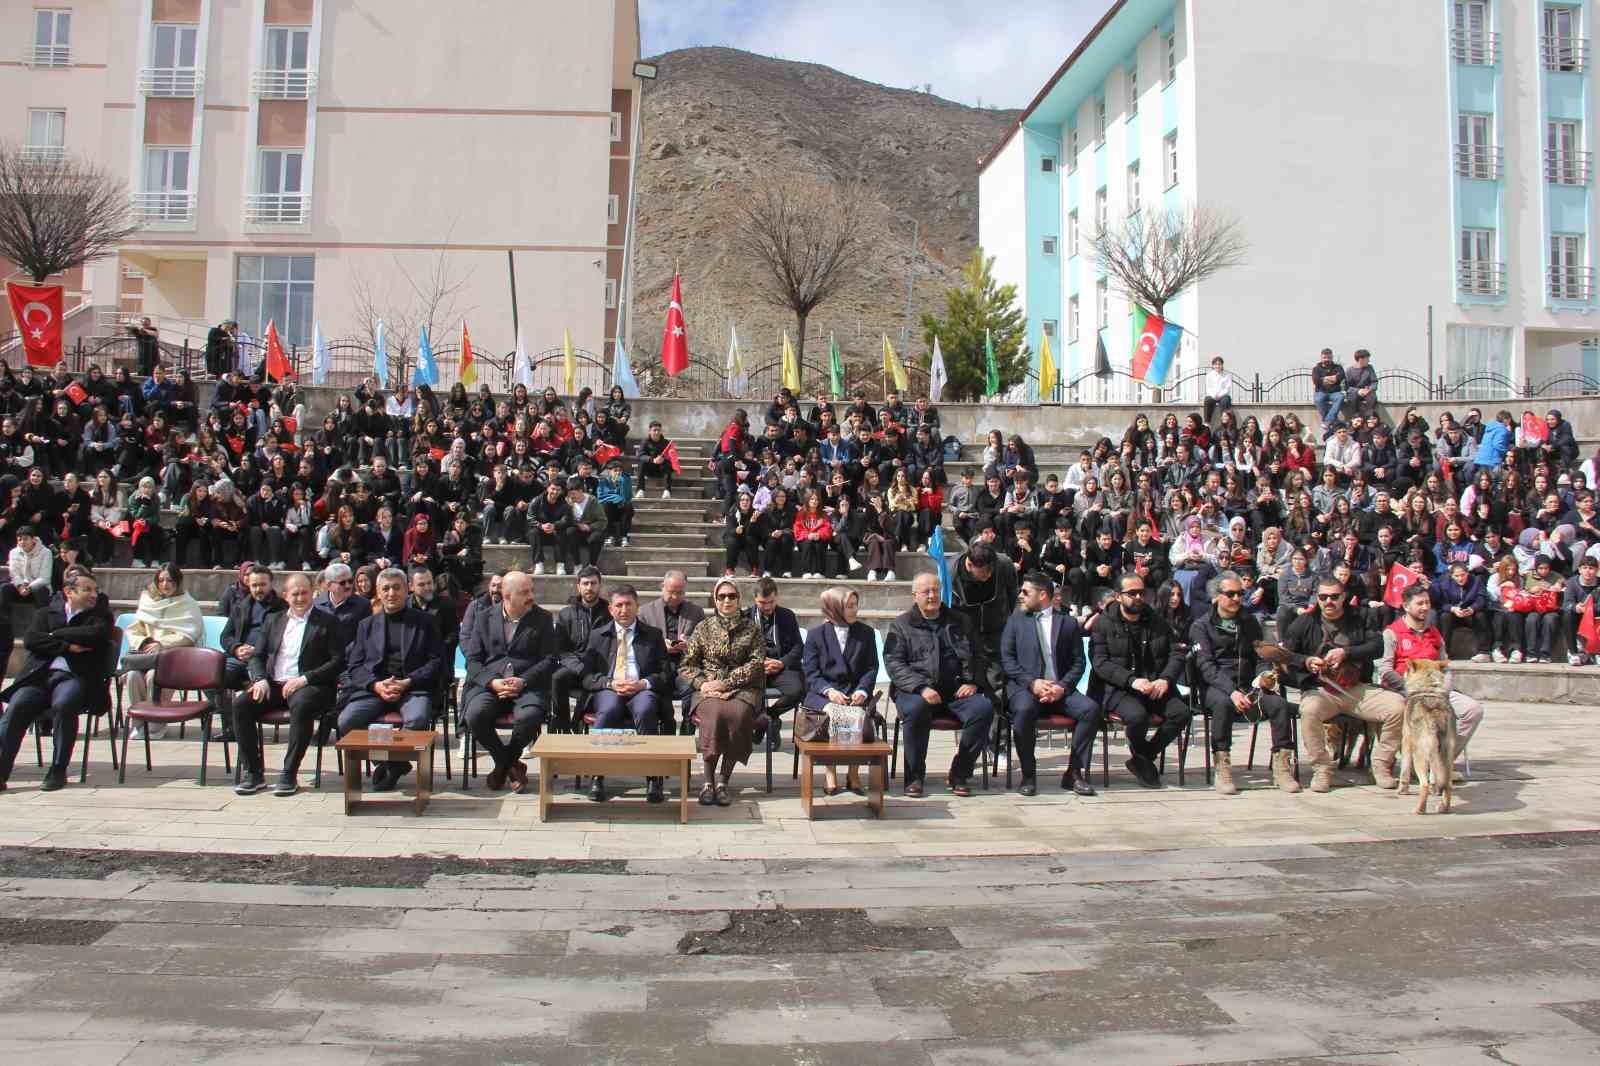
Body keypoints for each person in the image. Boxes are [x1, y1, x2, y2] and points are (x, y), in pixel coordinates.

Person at [1282, 576, 1405, 792]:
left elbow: (1377, 646)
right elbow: (1286, 657)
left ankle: (1382, 764)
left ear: (1344, 597)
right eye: (1323, 597)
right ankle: (1322, 768)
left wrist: (1346, 652)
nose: (1329, 601)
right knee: (1309, 711)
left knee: (1397, 706)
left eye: (1334, 597)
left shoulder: (1361, 616)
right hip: (1320, 690)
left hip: (1356, 688)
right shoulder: (1304, 622)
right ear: (1317, 598)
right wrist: (1307, 661)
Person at [232, 571, 345, 796]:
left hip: (310, 685)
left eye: (305, 593)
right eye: (295, 594)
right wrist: (259, 679)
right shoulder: (273, 620)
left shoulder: (328, 621)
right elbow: (257, 656)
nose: (300, 598)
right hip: (274, 684)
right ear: (285, 596)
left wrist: (305, 679)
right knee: (241, 704)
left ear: (313, 593)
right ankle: (253, 773)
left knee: (302, 705)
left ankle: (289, 773)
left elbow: (338, 661)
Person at [883, 573, 994, 798]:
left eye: (936, 590)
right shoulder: (901, 625)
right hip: (916, 692)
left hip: (956, 691)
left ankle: (960, 773)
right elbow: (893, 663)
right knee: (915, 710)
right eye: (927, 592)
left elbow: (981, 656)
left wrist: (973, 682)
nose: (933, 595)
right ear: (915, 596)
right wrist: (921, 687)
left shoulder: (960, 621)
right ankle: (914, 777)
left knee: (983, 710)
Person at [0, 568, 111, 792]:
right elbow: (32, 640)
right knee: (17, 706)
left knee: (65, 704)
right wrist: (68, 645)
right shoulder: (45, 613)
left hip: (75, 676)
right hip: (40, 675)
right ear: (69, 591)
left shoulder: (100, 616)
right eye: (87, 590)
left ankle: (58, 770)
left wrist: (55, 635)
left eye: (95, 590)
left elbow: (95, 636)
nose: (93, 595)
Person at [1191, 570, 1299, 795]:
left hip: (1248, 685)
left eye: (1240, 593)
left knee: (1278, 704)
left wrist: (1263, 677)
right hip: (1217, 686)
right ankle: (1222, 767)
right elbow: (1206, 666)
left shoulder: (1248, 621)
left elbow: (1260, 656)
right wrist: (1231, 691)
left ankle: (1282, 767)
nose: (1237, 598)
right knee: (1222, 704)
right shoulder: (1201, 626)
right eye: (1231, 594)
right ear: (1217, 596)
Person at [336, 567, 444, 792]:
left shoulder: (425, 622)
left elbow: (436, 662)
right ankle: (392, 762)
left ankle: (392, 766)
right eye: (386, 589)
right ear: (378, 592)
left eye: (397, 588)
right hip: (376, 689)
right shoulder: (366, 625)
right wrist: (376, 685)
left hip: (412, 688)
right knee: (347, 721)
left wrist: (408, 682)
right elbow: (355, 666)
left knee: (417, 720)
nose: (391, 593)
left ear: (407, 590)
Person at [999, 572, 1102, 797]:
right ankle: (1028, 774)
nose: (1021, 595)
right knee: (1024, 711)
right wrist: (1032, 683)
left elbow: (1078, 662)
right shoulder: (1015, 620)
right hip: (1026, 688)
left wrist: (1061, 687)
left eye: (1026, 592)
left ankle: (1074, 773)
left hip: (1060, 689)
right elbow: (1007, 660)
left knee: (1090, 710)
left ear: (1043, 595)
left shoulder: (1067, 622)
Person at [1090, 572, 1193, 788]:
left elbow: (1177, 652)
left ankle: (1143, 756)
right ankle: (1142, 759)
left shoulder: (1156, 620)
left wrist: (1165, 679)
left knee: (1181, 713)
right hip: (1118, 688)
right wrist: (1131, 681)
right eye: (1132, 593)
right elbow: (1100, 663)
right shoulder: (1103, 623)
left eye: (1142, 592)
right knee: (1138, 716)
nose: (1138, 597)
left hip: (1154, 685)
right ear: (1118, 596)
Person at [462, 571, 555, 794]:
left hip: (527, 685)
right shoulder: (484, 617)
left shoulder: (543, 618)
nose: (531, 595)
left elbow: (550, 659)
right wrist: (493, 683)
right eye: (524, 592)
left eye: (531, 590)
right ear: (506, 595)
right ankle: (511, 764)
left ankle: (502, 767)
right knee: (474, 715)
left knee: (530, 717)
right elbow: (473, 660)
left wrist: (523, 681)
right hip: (490, 685)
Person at [1378, 582, 1485, 776]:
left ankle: (1441, 762)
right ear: (1406, 606)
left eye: (1427, 603)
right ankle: (1407, 763)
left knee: (1472, 710)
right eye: (1419, 603)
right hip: (1404, 691)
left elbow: (1445, 665)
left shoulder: (1434, 632)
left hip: (1436, 689)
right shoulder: (1392, 632)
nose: (1425, 607)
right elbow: (1384, 669)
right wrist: (1408, 689)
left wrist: (1445, 689)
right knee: (1398, 711)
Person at [580, 583, 672, 803]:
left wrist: (643, 684)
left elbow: (665, 674)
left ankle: (653, 777)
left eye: (628, 604)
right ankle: (597, 775)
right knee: (609, 708)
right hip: (610, 689)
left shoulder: (653, 634)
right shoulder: (597, 636)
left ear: (637, 606)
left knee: (647, 708)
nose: (624, 610)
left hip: (641, 689)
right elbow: (586, 676)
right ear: (610, 609)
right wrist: (609, 683)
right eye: (618, 605)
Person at [678, 578, 766, 807]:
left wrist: (727, 683)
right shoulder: (703, 627)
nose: (727, 600)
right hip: (708, 689)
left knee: (738, 717)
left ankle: (723, 782)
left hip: (743, 689)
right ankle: (708, 782)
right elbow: (687, 665)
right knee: (715, 716)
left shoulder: (752, 629)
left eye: (731, 596)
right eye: (722, 596)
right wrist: (702, 684)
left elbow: (756, 663)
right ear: (715, 600)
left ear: (739, 599)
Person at [801, 587, 880, 795]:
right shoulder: (816, 635)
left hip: (853, 693)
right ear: (834, 608)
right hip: (823, 694)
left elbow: (871, 668)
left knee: (858, 719)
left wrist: (863, 690)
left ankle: (853, 772)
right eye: (849, 606)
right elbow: (811, 672)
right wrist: (829, 691)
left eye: (856, 605)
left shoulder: (866, 633)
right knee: (834, 715)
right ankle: (831, 773)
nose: (855, 610)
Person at [121, 563, 205, 736]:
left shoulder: (188, 604)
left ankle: (156, 724)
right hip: (146, 655)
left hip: (173, 658)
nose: (165, 584)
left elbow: (189, 636)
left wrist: (161, 644)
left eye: (170, 580)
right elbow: (135, 629)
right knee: (132, 676)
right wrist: (146, 641)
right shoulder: (148, 601)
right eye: (161, 580)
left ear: (178, 582)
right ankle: (139, 724)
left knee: (154, 676)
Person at [214, 565, 286, 743]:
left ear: (271, 584)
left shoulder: (282, 608)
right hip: (239, 658)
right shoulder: (242, 606)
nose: (258, 589)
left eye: (262, 585)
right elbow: (226, 636)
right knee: (212, 679)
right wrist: (237, 648)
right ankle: (231, 727)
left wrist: (258, 651)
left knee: (256, 685)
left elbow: (284, 640)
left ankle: (244, 719)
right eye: (254, 585)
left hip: (265, 661)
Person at [553, 566, 610, 729]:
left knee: (591, 682)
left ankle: (577, 722)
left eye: (593, 583)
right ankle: (562, 725)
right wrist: (579, 667)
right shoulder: (566, 614)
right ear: (578, 586)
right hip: (576, 667)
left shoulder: (610, 613)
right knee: (557, 678)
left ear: (600, 585)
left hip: (602, 667)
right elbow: (561, 650)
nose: (589, 588)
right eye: (585, 584)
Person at [748, 576, 805, 722]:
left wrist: (781, 663)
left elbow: (798, 647)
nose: (767, 607)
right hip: (755, 669)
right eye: (762, 603)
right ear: (755, 599)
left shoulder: (787, 616)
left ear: (777, 597)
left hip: (782, 667)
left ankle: (770, 716)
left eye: (771, 602)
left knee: (797, 690)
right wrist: (759, 664)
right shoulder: (745, 617)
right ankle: (760, 724)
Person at [311, 562, 370, 647]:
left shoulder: (363, 605)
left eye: (350, 581)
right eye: (342, 583)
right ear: (329, 585)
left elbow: (365, 638)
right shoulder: (316, 605)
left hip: (349, 657)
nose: (348, 585)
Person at [1311, 347, 1346, 429]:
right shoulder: (1316, 369)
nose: (1327, 359)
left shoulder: (1338, 367)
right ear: (1321, 358)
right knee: (1318, 400)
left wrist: (1325, 379)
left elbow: (1341, 376)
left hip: (1335, 392)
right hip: (1321, 391)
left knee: (1340, 397)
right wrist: (1331, 378)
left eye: (1329, 357)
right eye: (1324, 357)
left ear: (1332, 357)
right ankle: (1332, 421)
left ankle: (1327, 421)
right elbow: (1316, 380)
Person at [1344, 348, 1378, 419]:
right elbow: (1346, 386)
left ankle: (1369, 416)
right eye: (1367, 359)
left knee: (1372, 397)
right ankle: (1355, 417)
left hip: (1367, 391)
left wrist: (1369, 389)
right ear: (1360, 359)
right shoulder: (1349, 370)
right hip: (1354, 392)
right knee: (1352, 397)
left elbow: (1374, 382)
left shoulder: (1370, 368)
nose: (1369, 360)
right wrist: (1358, 391)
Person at [1203, 355, 1233, 427]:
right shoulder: (1209, 375)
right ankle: (1207, 422)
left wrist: (1220, 395)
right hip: (1213, 396)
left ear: (1222, 365)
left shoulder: (1227, 375)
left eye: (1219, 364)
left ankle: (1224, 421)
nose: (1218, 366)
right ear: (1213, 365)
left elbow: (1227, 388)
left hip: (1223, 396)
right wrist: (1214, 395)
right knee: (1207, 400)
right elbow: (1208, 388)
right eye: (1216, 364)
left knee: (1225, 400)